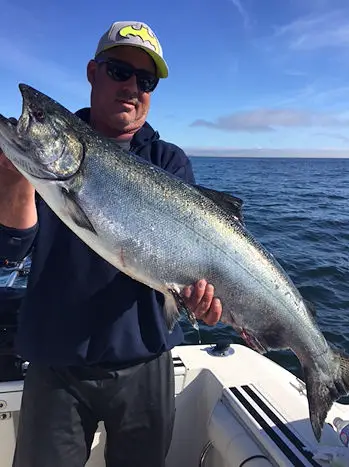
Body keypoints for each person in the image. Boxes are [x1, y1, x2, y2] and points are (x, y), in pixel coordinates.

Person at [0, 21, 222, 467]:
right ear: (92, 72)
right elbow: (11, 251)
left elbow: (182, 268)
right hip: (55, 361)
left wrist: (202, 298)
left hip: (145, 360)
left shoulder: (168, 161)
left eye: (145, 81)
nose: (132, 88)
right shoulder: (44, 164)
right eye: (120, 71)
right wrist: (15, 180)